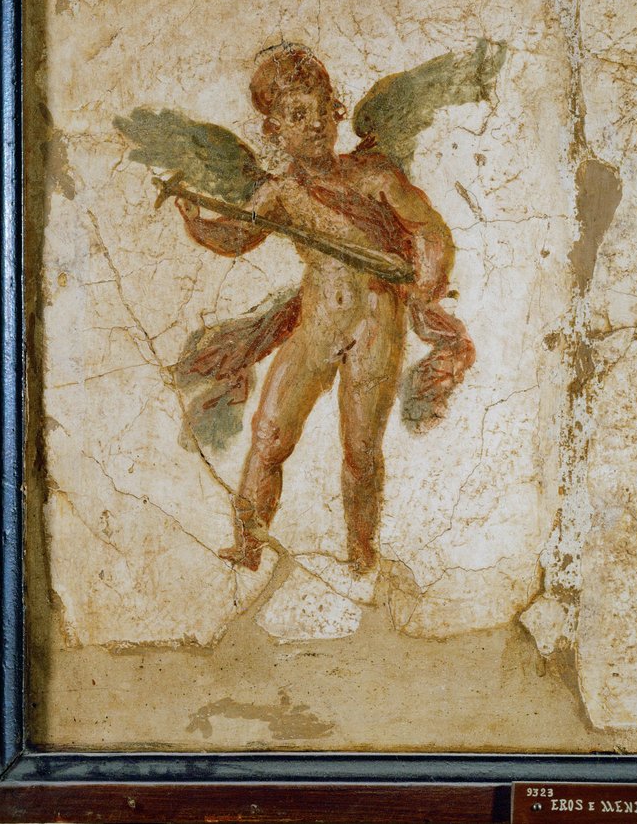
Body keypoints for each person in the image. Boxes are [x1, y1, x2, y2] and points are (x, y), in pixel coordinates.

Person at [176, 46, 472, 574]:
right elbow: (239, 236)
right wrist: (198, 224)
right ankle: (247, 546)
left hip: (375, 324)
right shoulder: (282, 192)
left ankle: (361, 554)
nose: (313, 125)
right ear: (272, 130)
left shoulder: (373, 175)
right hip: (317, 325)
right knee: (269, 435)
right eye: (296, 116)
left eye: (320, 110)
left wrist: (429, 269)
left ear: (335, 112)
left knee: (361, 449)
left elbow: (428, 228)